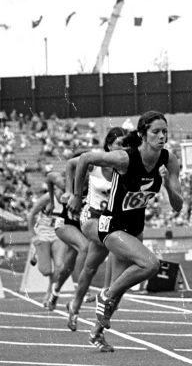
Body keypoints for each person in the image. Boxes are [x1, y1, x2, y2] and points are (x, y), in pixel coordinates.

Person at [67, 111, 183, 348]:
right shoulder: (125, 158)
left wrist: (168, 187)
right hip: (112, 226)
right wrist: (76, 196)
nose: (162, 137)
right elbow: (85, 159)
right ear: (142, 134)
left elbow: (178, 206)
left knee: (118, 292)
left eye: (165, 132)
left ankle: (96, 333)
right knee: (150, 264)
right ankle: (102, 295)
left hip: (134, 227)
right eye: (156, 132)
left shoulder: (168, 160)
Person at [65, 127, 126, 346]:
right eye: (119, 144)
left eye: (126, 144)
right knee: (118, 253)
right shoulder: (96, 164)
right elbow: (71, 165)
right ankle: (103, 297)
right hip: (90, 219)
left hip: (112, 224)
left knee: (91, 268)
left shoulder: (127, 166)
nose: (123, 148)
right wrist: (72, 193)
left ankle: (77, 309)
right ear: (109, 146)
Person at [45, 150, 90, 311]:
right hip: (64, 224)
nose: (86, 174)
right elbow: (50, 177)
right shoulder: (66, 182)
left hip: (80, 227)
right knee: (85, 247)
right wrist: (51, 201)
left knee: (67, 267)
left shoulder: (95, 183)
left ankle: (54, 295)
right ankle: (81, 290)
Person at [27, 192, 66, 306]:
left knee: (60, 266)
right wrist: (33, 235)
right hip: (43, 233)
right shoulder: (48, 197)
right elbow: (31, 215)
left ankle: (49, 292)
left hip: (58, 233)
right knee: (46, 270)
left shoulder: (70, 197)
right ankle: (36, 253)